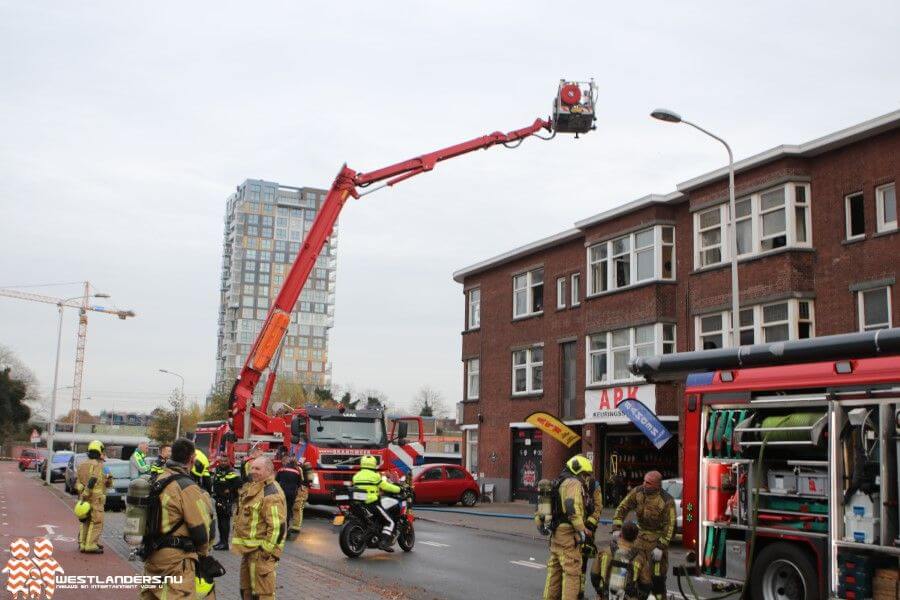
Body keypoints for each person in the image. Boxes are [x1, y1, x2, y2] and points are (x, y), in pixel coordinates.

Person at [140, 438, 216, 600]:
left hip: (153, 554)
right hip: (176, 560)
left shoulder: (159, 479)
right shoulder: (187, 487)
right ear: (192, 459)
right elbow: (200, 529)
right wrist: (203, 555)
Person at [612, 470, 676, 598]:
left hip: (656, 542)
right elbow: (622, 507)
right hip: (639, 539)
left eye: (648, 483)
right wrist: (617, 528)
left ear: (657, 485)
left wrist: (661, 547)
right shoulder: (638, 492)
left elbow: (670, 526)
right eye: (644, 481)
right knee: (633, 574)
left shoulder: (667, 500)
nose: (644, 484)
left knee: (657, 580)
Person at [232, 456, 287, 600]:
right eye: (252, 468)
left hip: (261, 554)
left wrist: (266, 552)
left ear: (268, 470)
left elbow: (277, 528)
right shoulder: (256, 486)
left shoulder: (271, 493)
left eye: (257, 468)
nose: (253, 471)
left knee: (263, 595)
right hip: (249, 552)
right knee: (246, 591)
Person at [542, 454, 593, 600]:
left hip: (556, 533)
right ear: (578, 471)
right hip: (568, 535)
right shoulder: (574, 483)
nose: (586, 478)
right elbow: (572, 507)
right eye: (585, 474)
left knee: (554, 573)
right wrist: (582, 529)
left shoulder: (558, 481)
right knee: (572, 574)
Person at [350, 454, 402, 552]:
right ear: (373, 464)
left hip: (358, 504)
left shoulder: (356, 476)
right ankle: (383, 542)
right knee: (389, 521)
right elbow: (386, 486)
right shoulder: (375, 476)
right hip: (371, 504)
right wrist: (399, 489)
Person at [75, 440, 112, 554]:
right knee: (96, 522)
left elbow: (77, 483)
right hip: (96, 499)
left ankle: (83, 543)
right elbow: (94, 479)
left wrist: (83, 493)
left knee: (85, 521)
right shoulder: (99, 465)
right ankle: (91, 544)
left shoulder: (81, 465)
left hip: (84, 499)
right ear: (99, 451)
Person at [593, 522, 642, 599]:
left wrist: (600, 591)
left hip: (606, 596)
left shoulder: (604, 552)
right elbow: (646, 584)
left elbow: (594, 575)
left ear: (620, 534)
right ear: (636, 537)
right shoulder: (639, 558)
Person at [578, 475, 604, 600]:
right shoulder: (570, 481)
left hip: (586, 531)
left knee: (582, 563)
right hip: (573, 529)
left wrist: (589, 526)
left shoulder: (593, 484)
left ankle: (580, 592)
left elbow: (598, 507)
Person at [211, 455, 241, 551]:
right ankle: (221, 541)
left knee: (225, 521)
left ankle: (225, 543)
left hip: (227, 500)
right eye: (222, 461)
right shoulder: (218, 470)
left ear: (228, 461)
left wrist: (230, 490)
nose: (223, 462)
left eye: (225, 461)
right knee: (220, 521)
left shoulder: (232, 471)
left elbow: (239, 483)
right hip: (218, 498)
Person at [274, 456, 302, 534]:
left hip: (282, 492)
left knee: (280, 509)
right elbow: (299, 484)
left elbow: (276, 481)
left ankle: (279, 528)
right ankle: (286, 528)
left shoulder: (281, 469)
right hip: (292, 493)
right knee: (288, 510)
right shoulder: (297, 471)